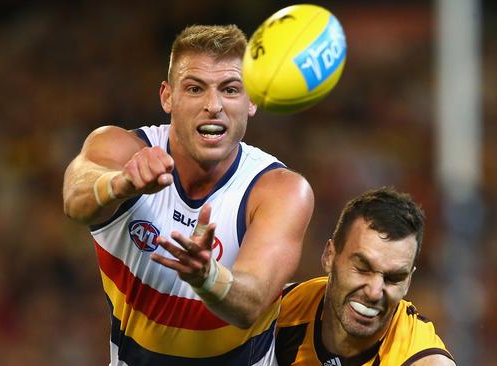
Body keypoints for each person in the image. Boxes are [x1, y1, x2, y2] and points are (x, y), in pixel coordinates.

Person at [62, 24, 314, 365]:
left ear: (251, 100)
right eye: (195, 89)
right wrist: (121, 184)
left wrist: (206, 277)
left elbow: (251, 303)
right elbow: (75, 200)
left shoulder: (279, 190)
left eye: (230, 89)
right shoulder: (122, 150)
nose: (214, 106)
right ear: (168, 97)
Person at [275, 187, 455, 365]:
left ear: (408, 281)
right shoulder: (281, 312)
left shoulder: (425, 361)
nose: (374, 292)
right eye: (362, 268)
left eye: (393, 278)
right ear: (329, 255)